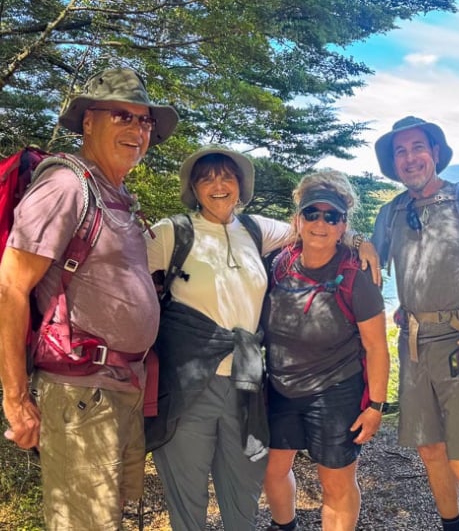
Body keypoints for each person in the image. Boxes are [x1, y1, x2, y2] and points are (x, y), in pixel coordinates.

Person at [145, 147, 381, 530]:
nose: (218, 186)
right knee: (187, 492)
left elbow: (318, 227)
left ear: (241, 185)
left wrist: (358, 241)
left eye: (228, 177)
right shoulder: (171, 233)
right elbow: (123, 279)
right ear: (193, 187)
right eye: (207, 178)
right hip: (188, 382)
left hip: (247, 384)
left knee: (243, 488)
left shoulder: (256, 229)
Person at [0, 67, 178, 529]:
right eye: (122, 116)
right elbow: (11, 286)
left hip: (121, 388)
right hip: (81, 392)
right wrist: (16, 398)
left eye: (144, 122)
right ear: (88, 122)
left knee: (107, 518)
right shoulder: (65, 186)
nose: (137, 130)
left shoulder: (116, 196)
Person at [371, 116, 459, 531]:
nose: (410, 158)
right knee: (431, 450)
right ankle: (451, 525)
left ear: (435, 153)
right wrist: (354, 241)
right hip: (415, 345)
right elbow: (371, 269)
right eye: (400, 151)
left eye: (418, 147)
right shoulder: (391, 213)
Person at [261, 170, 390, 531]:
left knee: (335, 483)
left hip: (337, 392)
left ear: (343, 223)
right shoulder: (279, 262)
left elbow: (376, 347)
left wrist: (376, 407)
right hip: (281, 388)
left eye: (331, 216)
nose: (320, 223)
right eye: (312, 214)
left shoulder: (356, 275)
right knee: (272, 471)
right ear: (298, 219)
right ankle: (284, 526)